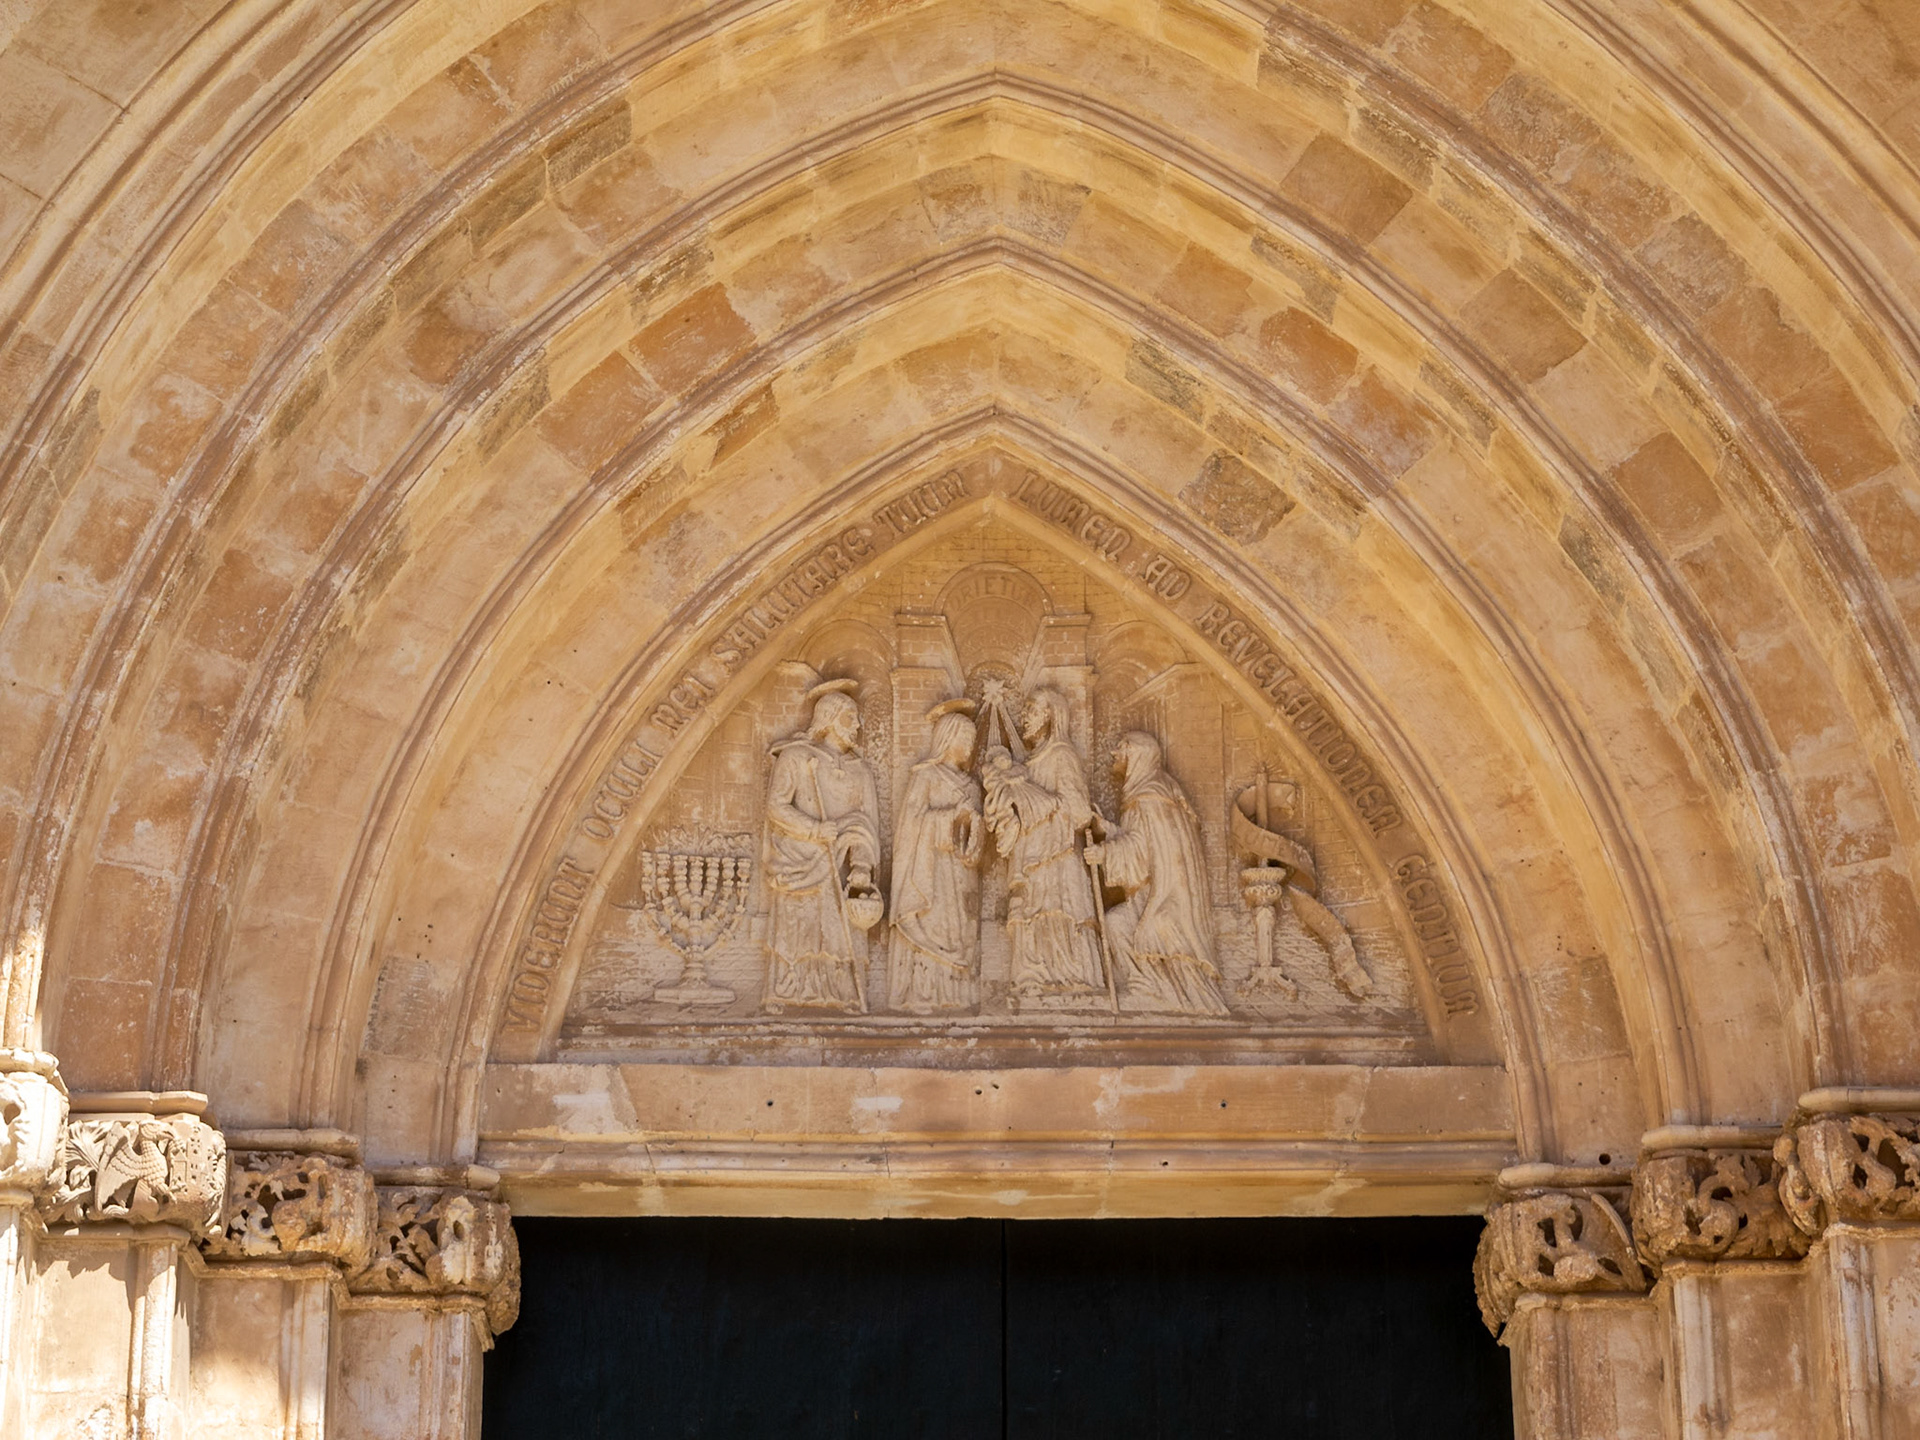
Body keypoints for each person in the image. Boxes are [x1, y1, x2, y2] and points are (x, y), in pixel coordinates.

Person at [1085, 731, 1230, 1017]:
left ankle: (1168, 993)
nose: (1115, 753)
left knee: (1136, 927)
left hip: (1164, 896)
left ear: (1138, 755)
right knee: (1116, 923)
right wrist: (1109, 830)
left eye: (1122, 747)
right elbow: (1146, 840)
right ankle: (1145, 987)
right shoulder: (1155, 792)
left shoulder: (1149, 796)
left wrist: (1104, 853)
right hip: (1153, 892)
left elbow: (1142, 850)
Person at [980, 688, 1107, 1006]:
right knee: (1030, 913)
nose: (1025, 716)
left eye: (1033, 710)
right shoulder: (1026, 765)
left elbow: (1080, 811)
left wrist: (1038, 802)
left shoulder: (1062, 755)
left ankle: (1071, 981)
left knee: (1058, 911)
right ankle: (1031, 980)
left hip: (1058, 857)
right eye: (1025, 710)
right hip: (1029, 855)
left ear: (1051, 716)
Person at [762, 679, 880, 1011]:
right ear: (828, 719)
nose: (857, 725)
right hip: (800, 859)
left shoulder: (860, 771)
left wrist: (861, 866)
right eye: (850, 717)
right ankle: (788, 992)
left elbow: (866, 825)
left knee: (838, 932)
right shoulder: (797, 757)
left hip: (839, 866)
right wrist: (815, 830)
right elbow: (776, 807)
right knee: (798, 927)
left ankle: (841, 995)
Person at [888, 699, 985, 1012]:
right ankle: (925, 994)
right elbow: (910, 825)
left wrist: (974, 825)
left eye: (973, 740)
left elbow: (979, 838)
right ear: (947, 738)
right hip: (930, 871)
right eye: (965, 738)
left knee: (960, 930)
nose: (970, 746)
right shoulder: (926, 776)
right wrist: (950, 817)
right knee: (935, 925)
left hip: (961, 872)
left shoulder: (973, 786)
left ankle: (957, 994)